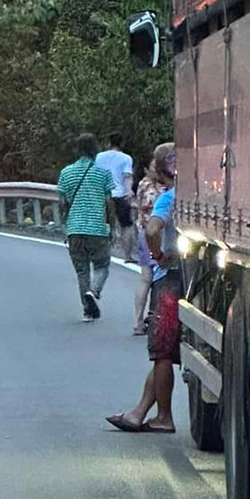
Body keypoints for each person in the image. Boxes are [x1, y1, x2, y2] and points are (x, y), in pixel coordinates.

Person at [106, 144, 180, 433]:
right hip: (194, 276)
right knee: (164, 354)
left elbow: (151, 230)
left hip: (170, 278)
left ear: (159, 170)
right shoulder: (196, 197)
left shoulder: (168, 198)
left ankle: (162, 417)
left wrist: (157, 254)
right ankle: (139, 413)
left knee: (161, 352)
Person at [57, 133, 116, 321]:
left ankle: (87, 311)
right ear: (95, 149)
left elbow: (62, 202)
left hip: (75, 229)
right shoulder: (103, 173)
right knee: (102, 265)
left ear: (78, 150)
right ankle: (94, 291)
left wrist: (66, 223)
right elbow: (109, 203)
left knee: (82, 270)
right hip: (97, 228)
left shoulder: (66, 173)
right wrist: (111, 226)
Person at [129, 144, 172, 336]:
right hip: (150, 235)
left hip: (149, 234)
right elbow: (152, 221)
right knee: (148, 278)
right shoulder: (150, 188)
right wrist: (158, 253)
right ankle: (140, 320)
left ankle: (145, 319)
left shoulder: (157, 187)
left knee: (151, 278)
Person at [95, 133, 135, 260]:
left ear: (108, 143)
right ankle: (128, 255)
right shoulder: (126, 158)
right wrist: (129, 191)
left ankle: (101, 252)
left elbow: (96, 175)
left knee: (102, 224)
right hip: (120, 195)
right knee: (126, 225)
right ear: (121, 144)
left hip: (102, 194)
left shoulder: (99, 157)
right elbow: (127, 176)